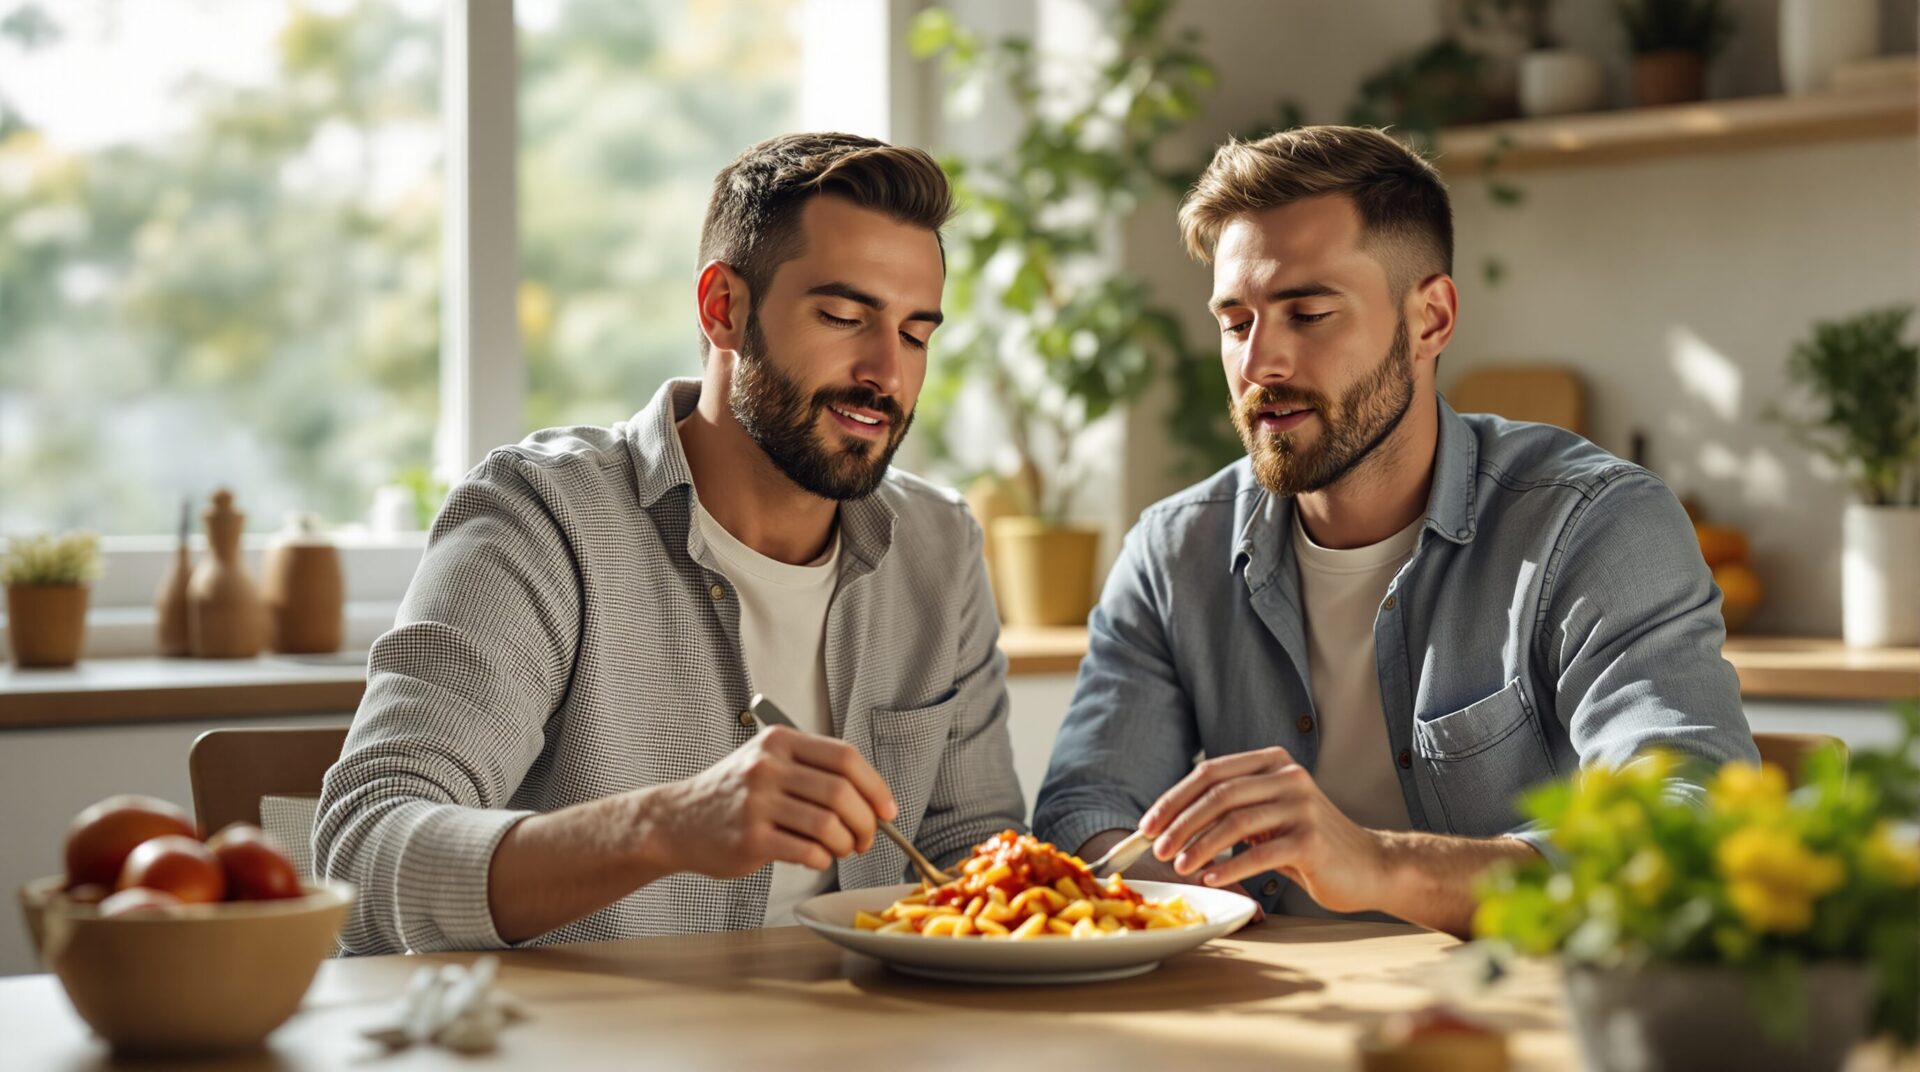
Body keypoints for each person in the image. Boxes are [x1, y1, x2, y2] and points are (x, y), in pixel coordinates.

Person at [1033, 126, 1757, 937]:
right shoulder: (1174, 552)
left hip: (1505, 1006)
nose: (1260, 363)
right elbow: (1085, 810)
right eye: (1236, 323)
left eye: (1309, 314)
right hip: (1257, 999)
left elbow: (1685, 824)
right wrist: (1209, 912)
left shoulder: (1594, 526)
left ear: (1430, 320)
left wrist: (1378, 866)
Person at [316, 132, 1025, 954]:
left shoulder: (939, 547)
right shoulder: (542, 517)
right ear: (723, 308)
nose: (887, 375)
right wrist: (663, 825)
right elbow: (363, 856)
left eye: (915, 335)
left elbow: (972, 856)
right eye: (843, 317)